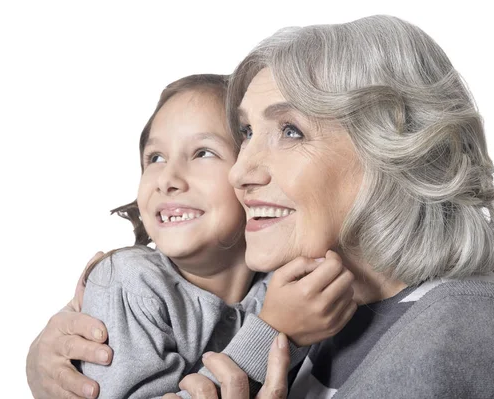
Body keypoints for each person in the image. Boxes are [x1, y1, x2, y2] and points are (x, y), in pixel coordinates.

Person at [26, 18, 494, 399]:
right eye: (245, 133)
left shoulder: (461, 333)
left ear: (396, 149)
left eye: (290, 131)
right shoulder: (319, 301)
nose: (241, 169)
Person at [42, 73, 356, 399]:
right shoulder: (129, 281)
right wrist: (273, 333)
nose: (168, 179)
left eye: (203, 153)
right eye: (155, 158)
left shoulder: (287, 284)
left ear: (248, 174)